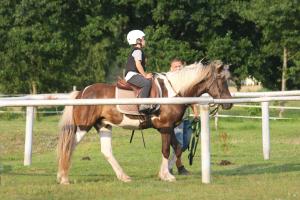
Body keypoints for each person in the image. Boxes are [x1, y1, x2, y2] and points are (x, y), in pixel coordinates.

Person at [168, 58, 199, 175]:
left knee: (185, 144)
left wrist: (195, 111)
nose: (178, 68)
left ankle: (178, 166)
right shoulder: (170, 81)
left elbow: (190, 99)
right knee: (179, 144)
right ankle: (170, 168)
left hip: (186, 117)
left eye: (180, 66)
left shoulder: (185, 82)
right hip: (176, 119)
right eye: (175, 66)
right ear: (171, 69)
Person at [125, 30, 153, 113]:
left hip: (133, 74)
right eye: (143, 39)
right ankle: (143, 104)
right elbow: (138, 64)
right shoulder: (138, 51)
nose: (145, 40)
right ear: (138, 41)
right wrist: (145, 75)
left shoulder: (138, 51)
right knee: (147, 83)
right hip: (132, 75)